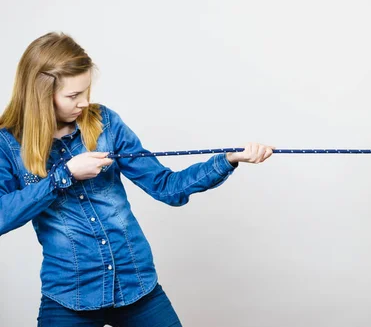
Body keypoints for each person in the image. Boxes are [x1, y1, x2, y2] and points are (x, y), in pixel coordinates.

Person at [0, 31, 274, 326]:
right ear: (40, 94)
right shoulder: (7, 144)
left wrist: (229, 160)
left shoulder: (104, 122)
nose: (83, 103)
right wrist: (63, 176)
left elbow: (167, 188)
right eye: (73, 96)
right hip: (70, 296)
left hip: (137, 286)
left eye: (86, 92)